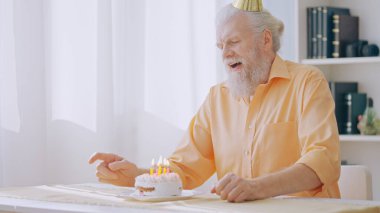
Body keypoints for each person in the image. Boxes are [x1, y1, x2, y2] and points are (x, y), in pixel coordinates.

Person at [88, 1, 340, 203]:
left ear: (265, 40)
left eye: (233, 42)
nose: (225, 53)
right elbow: (184, 169)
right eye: (220, 46)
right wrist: (138, 175)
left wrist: (257, 188)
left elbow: (323, 161)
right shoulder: (217, 97)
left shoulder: (307, 81)